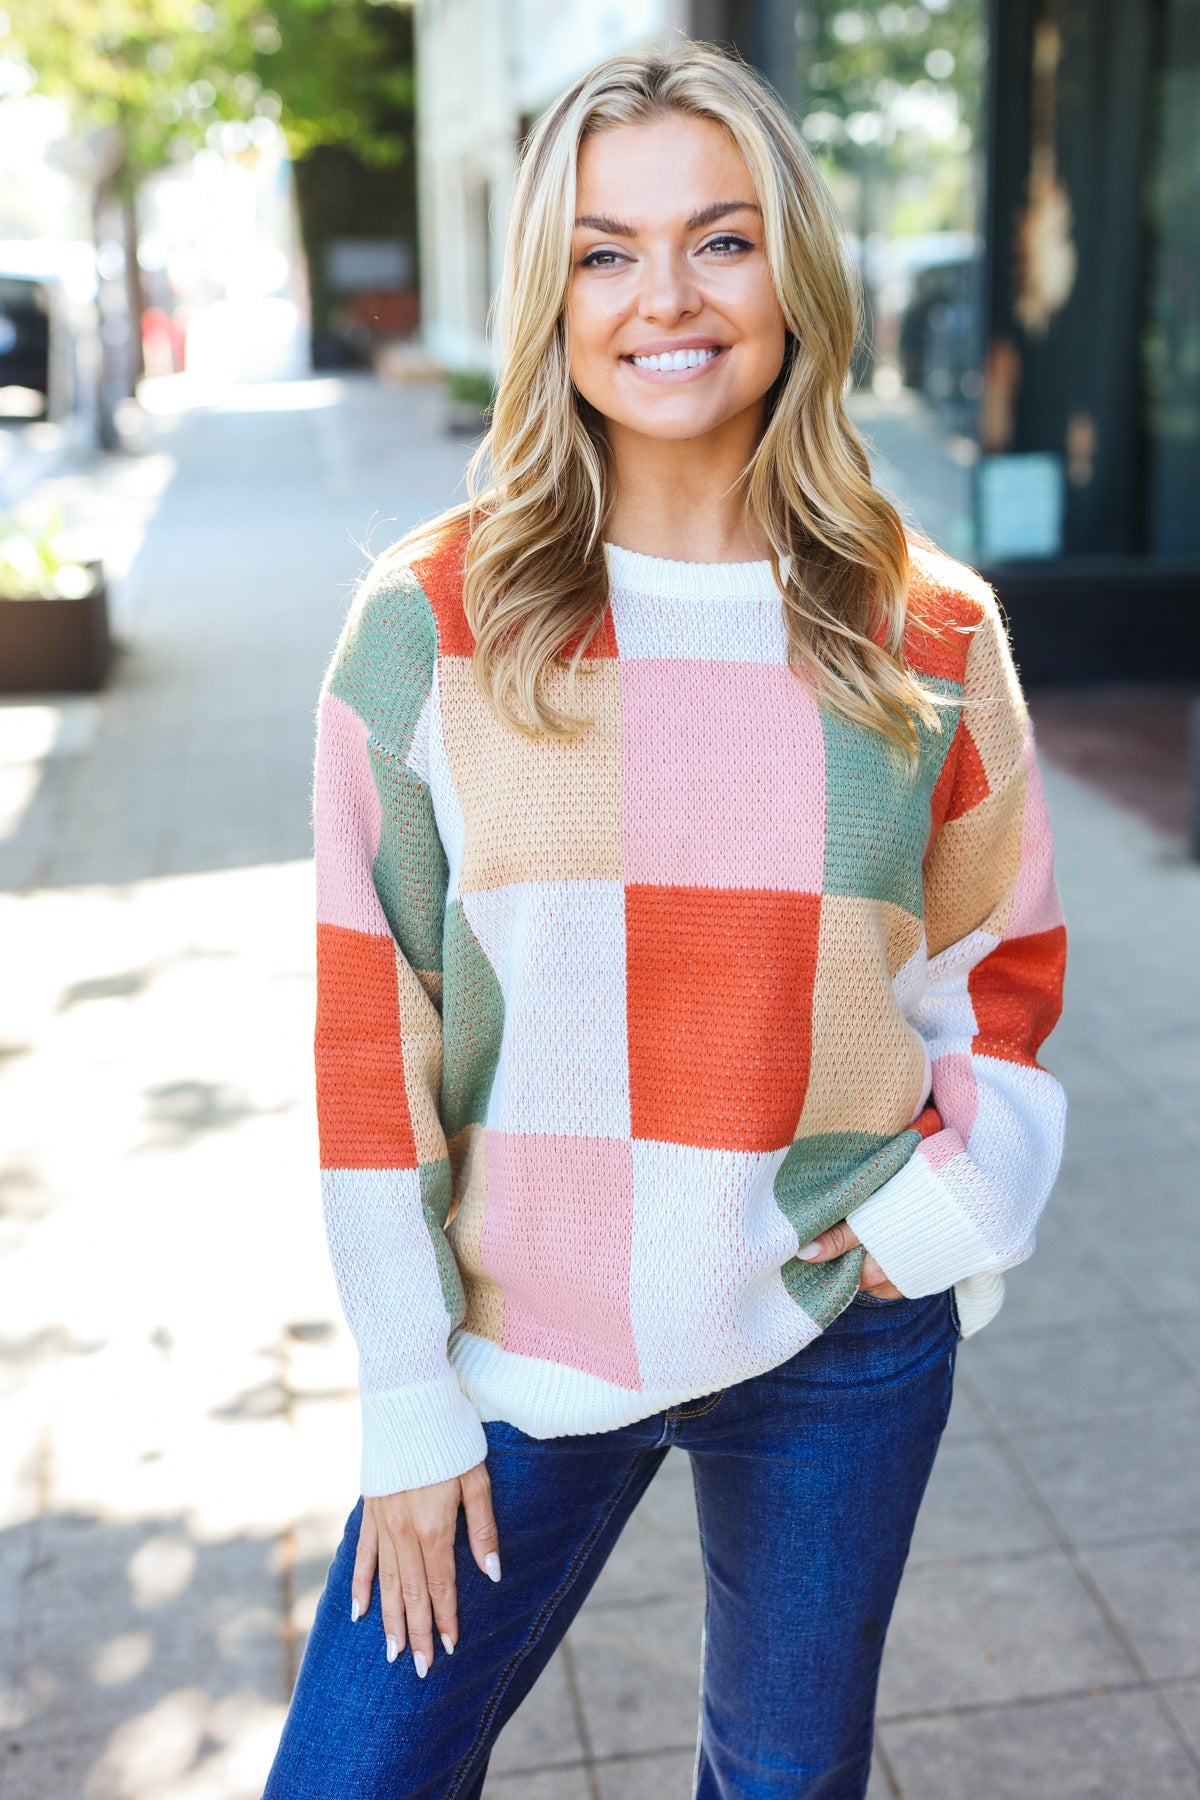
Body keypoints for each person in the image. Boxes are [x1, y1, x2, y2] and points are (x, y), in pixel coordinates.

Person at [263, 39, 1067, 1800]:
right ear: (551, 294)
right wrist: (408, 1394)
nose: (667, 300)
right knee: (354, 1776)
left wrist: (946, 1211)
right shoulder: (430, 623)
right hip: (517, 1345)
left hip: (836, 1332)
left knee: (784, 1786)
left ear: (796, 271)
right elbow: (363, 1030)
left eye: (720, 239)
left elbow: (994, 968)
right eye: (608, 252)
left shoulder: (926, 635)